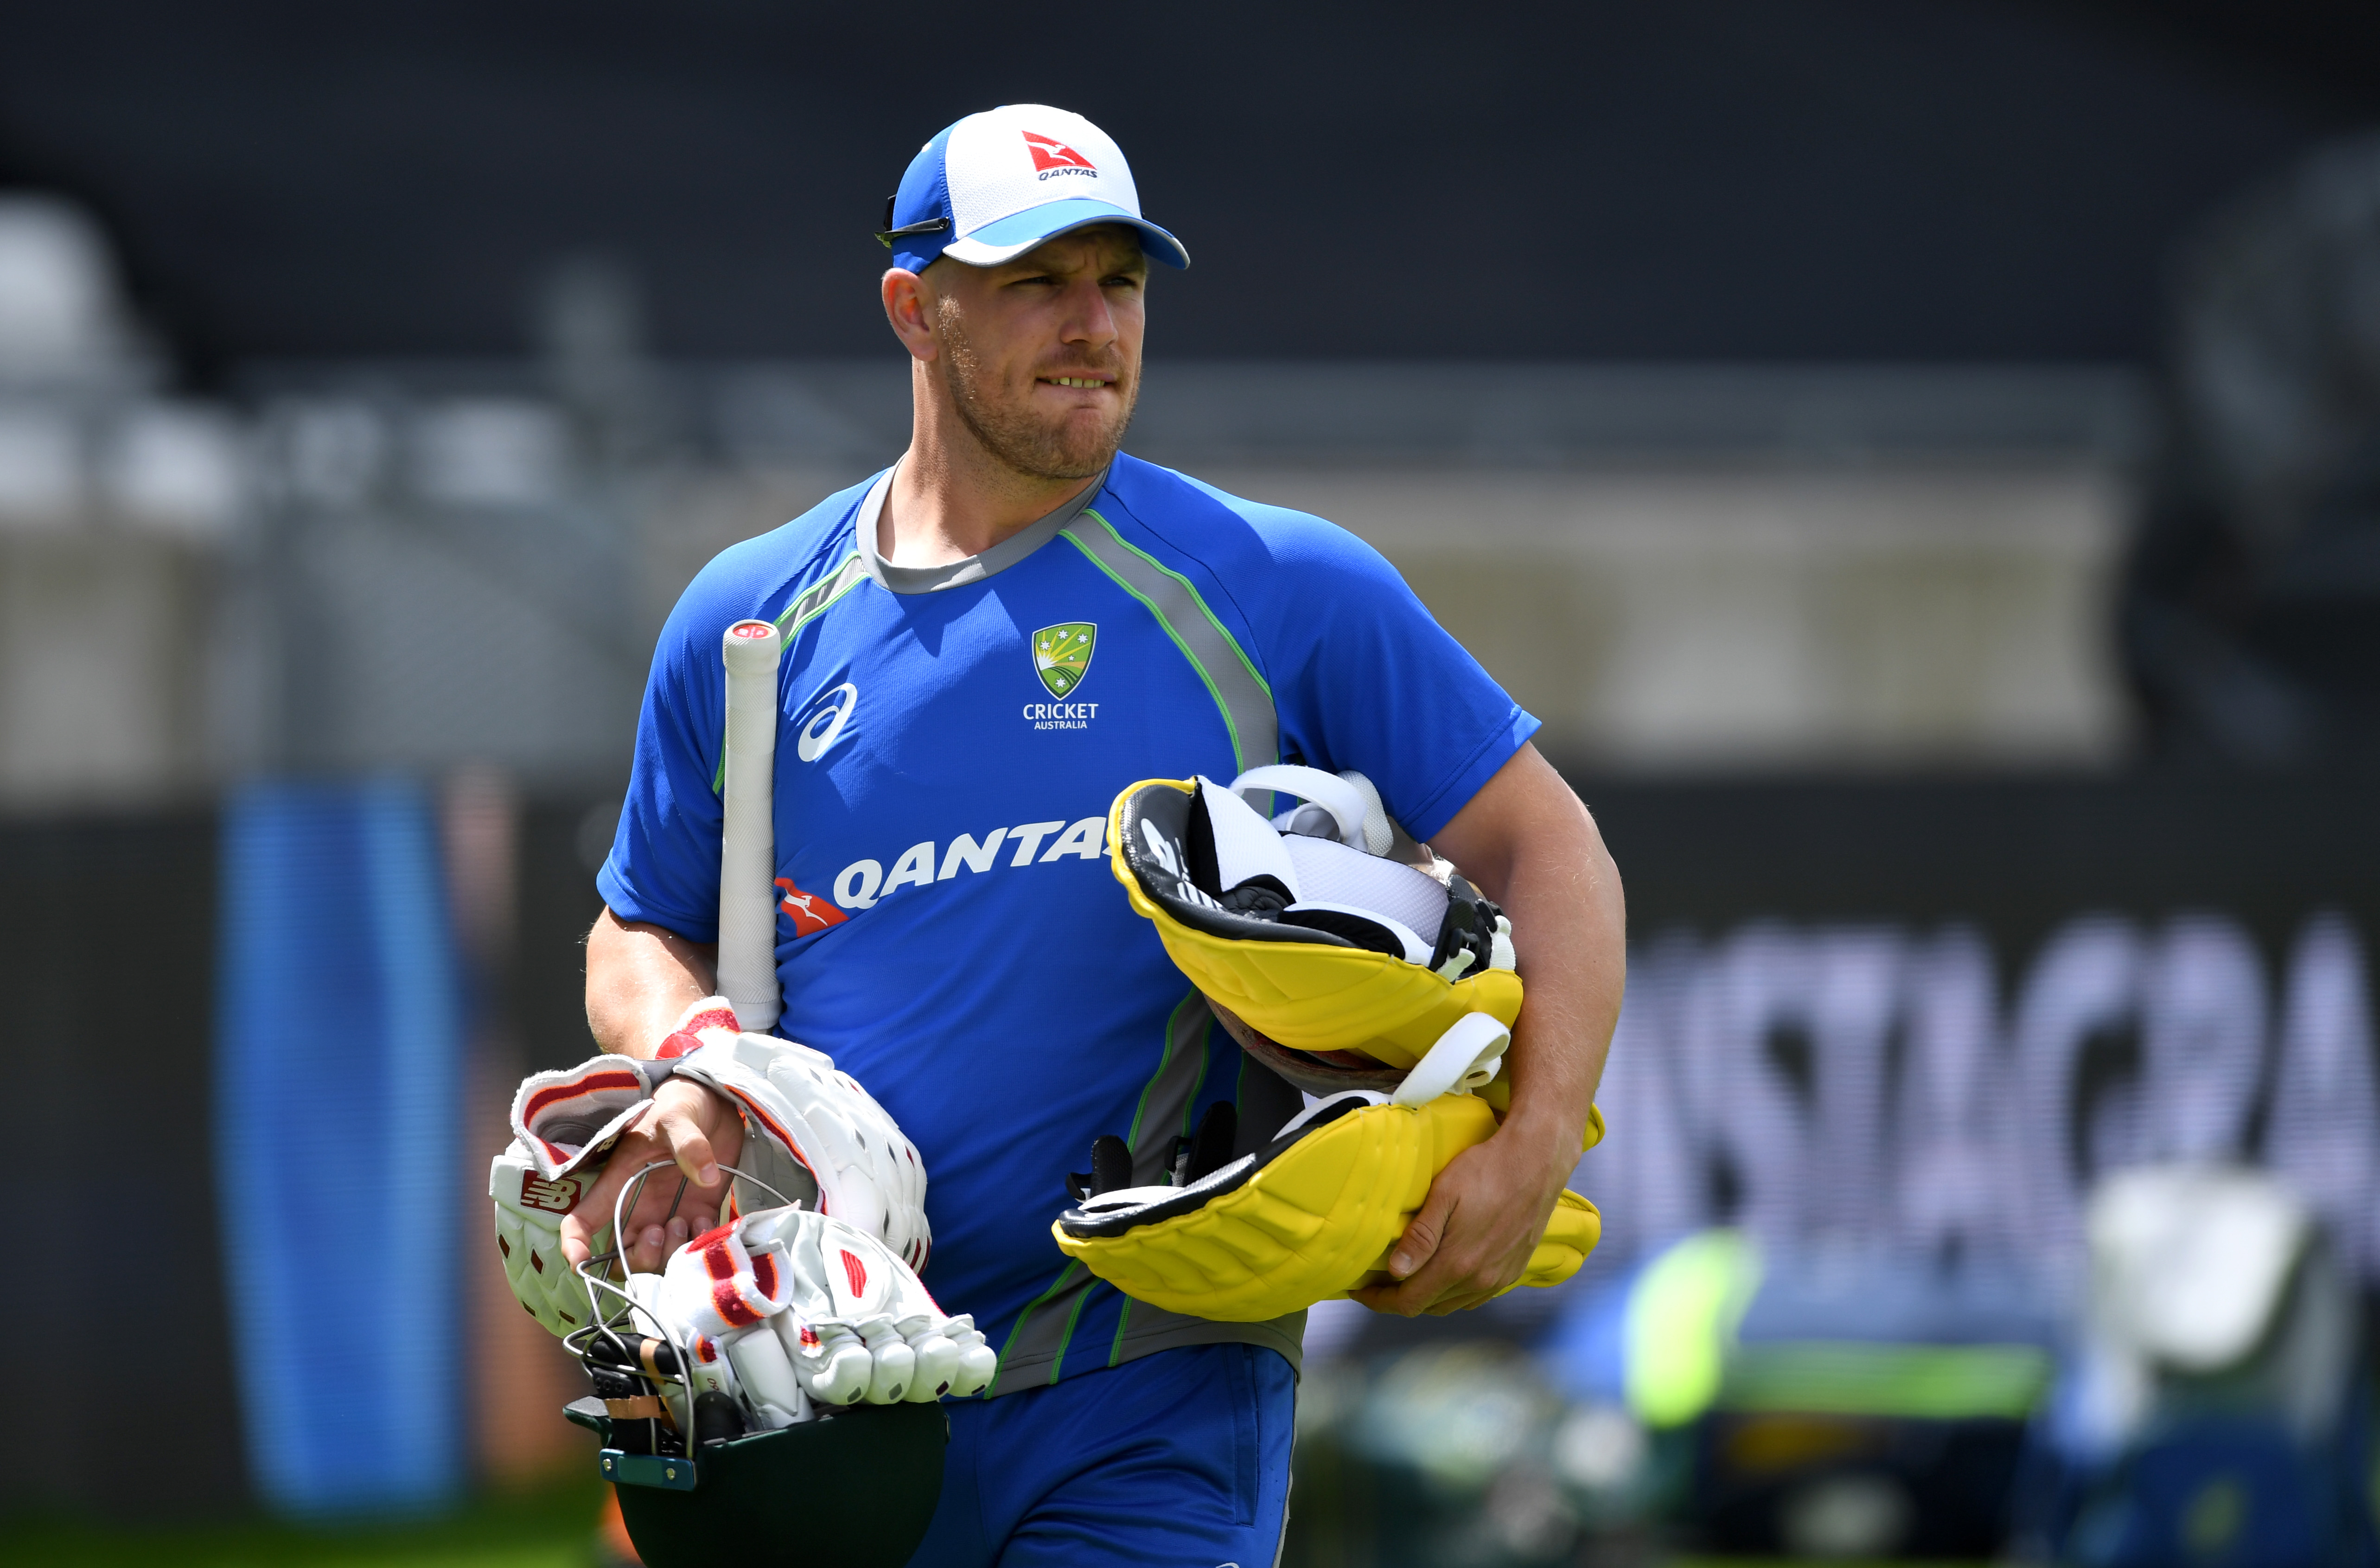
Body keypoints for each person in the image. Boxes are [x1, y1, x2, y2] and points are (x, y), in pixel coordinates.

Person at [561, 103, 1627, 1567]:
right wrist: (689, 1069)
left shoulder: (1279, 584)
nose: (1091, 325)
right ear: (913, 309)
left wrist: (1539, 1131)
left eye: (1118, 281)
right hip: (830, 1383)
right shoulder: (749, 621)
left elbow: (1550, 851)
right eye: (1034, 282)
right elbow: (643, 925)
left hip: (1157, 1386)